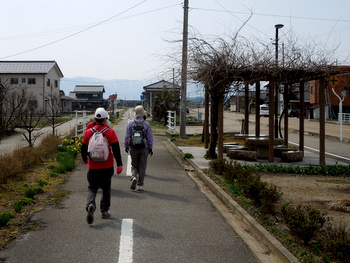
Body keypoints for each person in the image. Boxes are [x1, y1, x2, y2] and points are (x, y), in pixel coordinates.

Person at [81, 107, 123, 224]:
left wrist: (85, 160)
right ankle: (104, 211)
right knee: (106, 188)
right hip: (107, 166)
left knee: (92, 188)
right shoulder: (110, 132)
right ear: (105, 120)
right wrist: (119, 164)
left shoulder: (89, 132)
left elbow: (83, 148)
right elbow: (116, 149)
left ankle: (90, 204)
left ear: (95, 119)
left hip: (93, 166)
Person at [124, 105, 153, 191]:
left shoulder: (130, 123)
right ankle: (140, 185)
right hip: (144, 147)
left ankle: (133, 177)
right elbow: (150, 137)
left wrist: (126, 146)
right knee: (142, 166)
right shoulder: (146, 124)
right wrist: (150, 148)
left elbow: (127, 136)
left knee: (134, 164)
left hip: (133, 147)